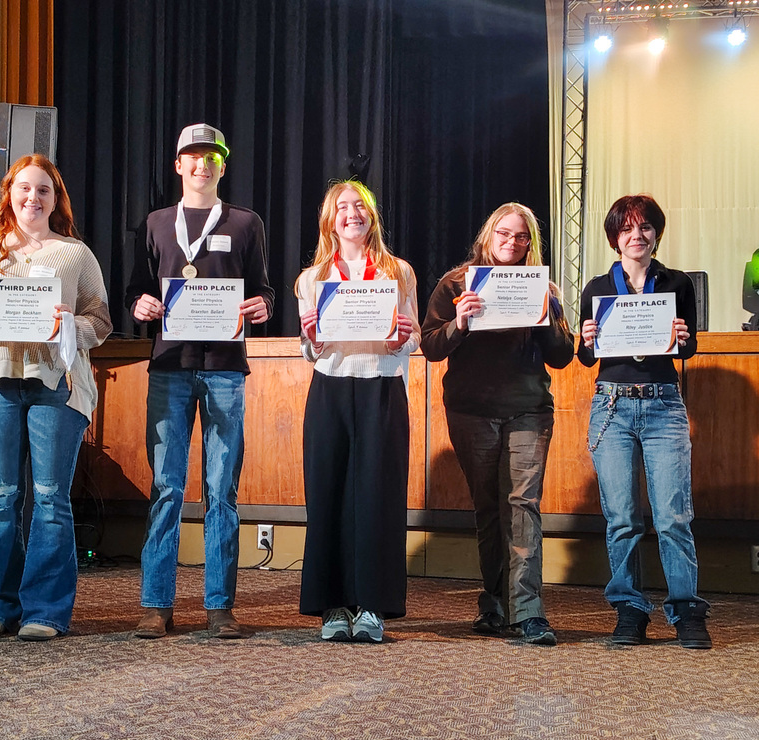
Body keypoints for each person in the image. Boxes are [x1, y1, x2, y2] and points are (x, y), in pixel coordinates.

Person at [0, 154, 111, 641]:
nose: (32, 198)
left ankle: (45, 611)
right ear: (9, 195)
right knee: (1, 499)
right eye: (23, 188)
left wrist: (70, 326)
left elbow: (100, 320)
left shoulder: (75, 254)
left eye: (43, 190)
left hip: (56, 384)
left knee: (49, 497)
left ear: (55, 199)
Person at [124, 123, 275, 639]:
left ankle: (219, 606)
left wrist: (263, 306)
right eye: (192, 155)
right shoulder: (156, 223)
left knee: (221, 490)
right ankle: (156, 605)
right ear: (178, 164)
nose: (202, 165)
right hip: (169, 368)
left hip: (226, 369)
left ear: (222, 166)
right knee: (166, 487)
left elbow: (262, 290)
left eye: (212, 157)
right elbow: (138, 290)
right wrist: (138, 305)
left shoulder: (247, 223)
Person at [421, 202, 573, 645]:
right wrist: (461, 322)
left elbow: (563, 356)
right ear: (488, 236)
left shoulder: (543, 286)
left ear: (531, 243)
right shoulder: (455, 283)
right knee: (489, 507)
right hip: (471, 411)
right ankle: (494, 603)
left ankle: (528, 610)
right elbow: (431, 346)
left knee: (523, 506)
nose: (512, 243)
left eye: (521, 237)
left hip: (528, 409)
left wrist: (545, 314)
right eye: (504, 234)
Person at [578, 194, 710, 649]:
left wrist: (682, 338)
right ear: (615, 237)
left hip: (663, 404)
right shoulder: (597, 288)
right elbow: (585, 355)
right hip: (612, 407)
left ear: (656, 233)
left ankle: (686, 610)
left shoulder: (677, 284)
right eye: (628, 229)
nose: (637, 236)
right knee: (621, 517)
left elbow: (687, 349)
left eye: (645, 227)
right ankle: (630, 610)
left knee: (673, 516)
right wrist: (588, 339)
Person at [295, 180, 420, 643]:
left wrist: (398, 339)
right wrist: (314, 339)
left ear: (372, 217)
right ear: (330, 219)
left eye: (361, 206)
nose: (352, 213)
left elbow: (414, 337)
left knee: (378, 498)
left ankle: (373, 606)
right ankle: (333, 608)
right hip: (329, 389)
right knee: (326, 494)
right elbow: (310, 349)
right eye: (342, 207)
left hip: (382, 389)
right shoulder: (312, 279)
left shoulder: (398, 271)